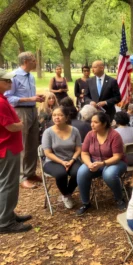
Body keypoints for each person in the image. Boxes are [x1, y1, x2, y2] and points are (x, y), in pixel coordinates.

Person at [5, 51, 44, 189]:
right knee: (23, 143)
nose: (36, 62)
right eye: (33, 60)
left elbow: (28, 95)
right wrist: (29, 99)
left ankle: (30, 172)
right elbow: (8, 97)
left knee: (33, 141)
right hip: (20, 111)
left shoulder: (31, 77)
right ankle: (22, 177)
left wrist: (36, 97)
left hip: (33, 110)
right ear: (26, 61)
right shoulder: (14, 76)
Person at [0, 69, 33, 234]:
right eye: (6, 81)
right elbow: (11, 126)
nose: (10, 84)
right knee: (8, 185)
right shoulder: (0, 102)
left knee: (8, 184)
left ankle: (8, 214)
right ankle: (5, 222)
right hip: (6, 149)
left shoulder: (3, 99)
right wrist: (20, 124)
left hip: (8, 148)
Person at [76, 112, 127, 216]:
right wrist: (89, 164)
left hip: (114, 162)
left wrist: (102, 163)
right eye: (91, 122)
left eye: (95, 122)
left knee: (109, 174)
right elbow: (84, 153)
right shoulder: (90, 135)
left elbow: (117, 156)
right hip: (94, 161)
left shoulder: (114, 135)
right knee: (81, 172)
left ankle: (119, 199)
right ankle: (85, 203)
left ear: (104, 124)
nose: (92, 124)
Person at [42, 106, 82, 209]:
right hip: (53, 161)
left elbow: (78, 149)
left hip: (72, 159)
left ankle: (67, 193)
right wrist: (62, 162)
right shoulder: (48, 132)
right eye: (54, 115)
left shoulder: (74, 131)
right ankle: (66, 195)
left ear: (66, 117)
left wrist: (72, 160)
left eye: (60, 115)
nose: (56, 117)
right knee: (61, 174)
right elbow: (47, 153)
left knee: (79, 172)